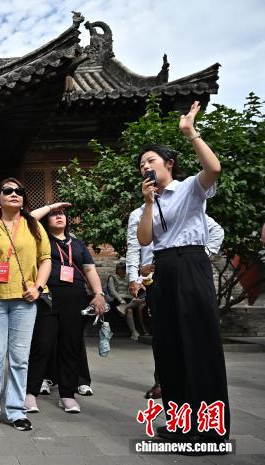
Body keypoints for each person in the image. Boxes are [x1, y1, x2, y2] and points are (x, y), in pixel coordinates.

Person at [137, 101, 229, 443]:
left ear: (169, 164)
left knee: (198, 344)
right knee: (169, 346)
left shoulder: (190, 187)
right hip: (163, 268)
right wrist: (148, 204)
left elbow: (214, 168)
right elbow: (145, 238)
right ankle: (179, 424)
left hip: (191, 264)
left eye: (151, 160)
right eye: (142, 164)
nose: (145, 166)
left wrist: (191, 133)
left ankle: (207, 431)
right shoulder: (149, 202)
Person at [0, 178, 51, 431]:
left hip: (24, 302)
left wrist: (38, 287)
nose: (14, 194)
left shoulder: (34, 226)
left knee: (19, 358)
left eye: (19, 191)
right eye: (8, 190)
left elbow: (46, 259)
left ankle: (16, 410)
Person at [127, 206, 224, 400]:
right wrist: (133, 277)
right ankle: (162, 382)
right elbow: (134, 246)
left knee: (190, 330)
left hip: (184, 276)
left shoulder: (183, 206)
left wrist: (200, 256)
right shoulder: (139, 214)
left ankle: (193, 381)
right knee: (162, 334)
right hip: (154, 279)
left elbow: (217, 230)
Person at [23, 205, 105, 414]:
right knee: (42, 345)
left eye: (61, 214)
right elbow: (28, 219)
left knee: (71, 346)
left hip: (75, 298)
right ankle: (30, 393)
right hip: (47, 297)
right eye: (53, 215)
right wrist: (51, 206)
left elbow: (89, 270)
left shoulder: (77, 244)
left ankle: (67, 395)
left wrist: (98, 294)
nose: (59, 216)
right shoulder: (39, 238)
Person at [106, 261, 145, 340]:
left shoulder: (128, 277)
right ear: (117, 269)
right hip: (117, 299)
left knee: (140, 301)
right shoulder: (112, 277)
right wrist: (121, 300)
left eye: (125, 269)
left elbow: (132, 288)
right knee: (129, 310)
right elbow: (112, 291)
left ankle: (124, 307)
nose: (124, 270)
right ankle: (134, 332)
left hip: (128, 298)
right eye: (122, 269)